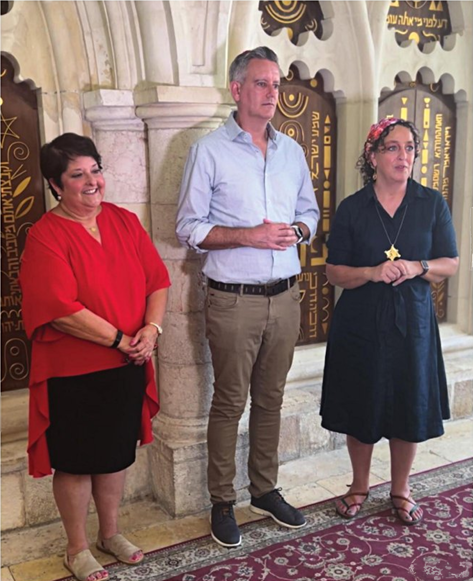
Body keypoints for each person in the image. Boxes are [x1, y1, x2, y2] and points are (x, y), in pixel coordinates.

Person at [176, 46, 319, 547]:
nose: (272, 93)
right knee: (230, 401)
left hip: (284, 297)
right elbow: (188, 227)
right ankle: (221, 500)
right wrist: (248, 235)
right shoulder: (209, 151)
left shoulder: (291, 152)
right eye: (261, 83)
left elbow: (310, 212)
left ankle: (265, 489)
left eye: (276, 84)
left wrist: (299, 231)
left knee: (272, 398)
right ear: (236, 90)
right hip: (232, 299)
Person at [19, 133, 170, 581]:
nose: (91, 182)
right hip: (73, 370)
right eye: (77, 174)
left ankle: (110, 533)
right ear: (55, 184)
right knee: (76, 460)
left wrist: (152, 330)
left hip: (127, 361)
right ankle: (76, 547)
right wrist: (124, 340)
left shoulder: (124, 221)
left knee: (114, 455)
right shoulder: (45, 235)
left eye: (95, 170)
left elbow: (157, 280)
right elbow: (61, 310)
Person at [320, 118, 459, 525]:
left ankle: (401, 489)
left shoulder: (431, 203)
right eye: (393, 148)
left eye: (410, 148)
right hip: (360, 324)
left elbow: (449, 263)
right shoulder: (352, 207)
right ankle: (359, 485)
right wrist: (371, 272)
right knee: (361, 404)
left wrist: (418, 266)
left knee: (408, 405)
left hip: (412, 323)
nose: (403, 156)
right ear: (373, 155)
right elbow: (333, 272)